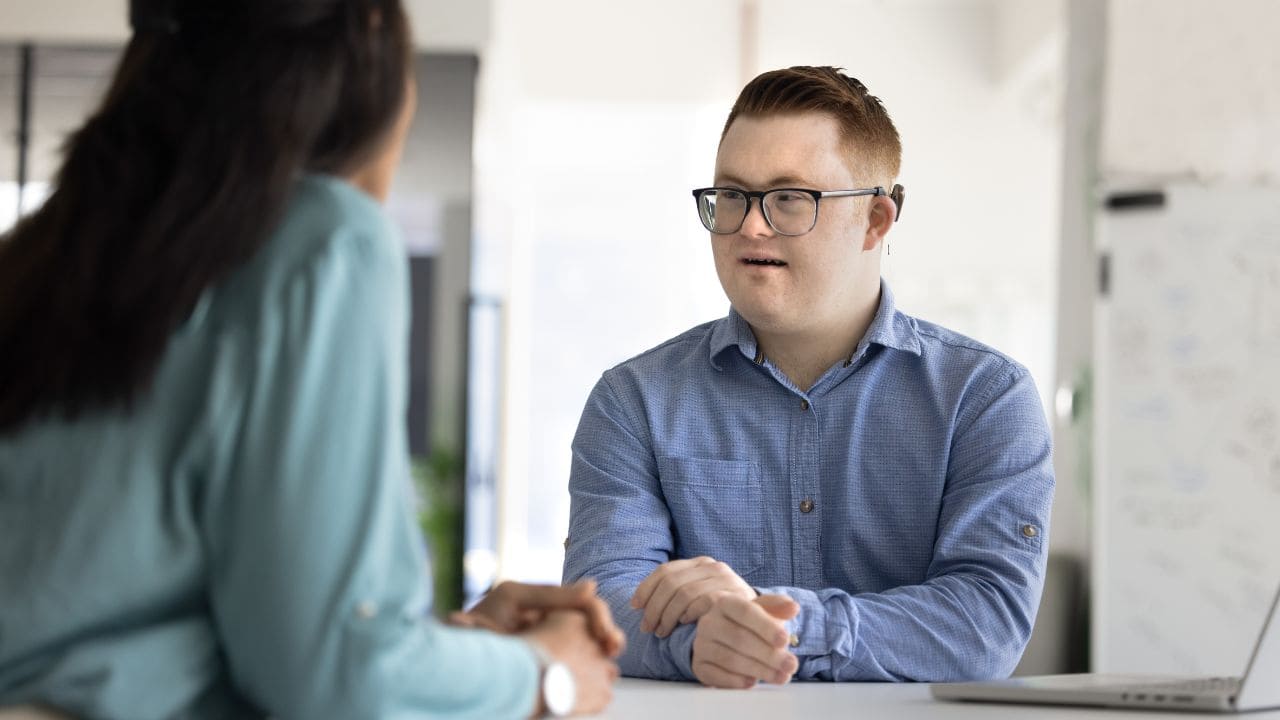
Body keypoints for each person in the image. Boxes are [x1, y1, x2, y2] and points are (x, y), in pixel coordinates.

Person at [0, 1, 621, 717]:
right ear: (370, 48)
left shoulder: (41, 256)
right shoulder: (325, 242)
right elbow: (337, 678)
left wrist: (450, 652)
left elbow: (222, 638)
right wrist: (542, 674)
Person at [562, 66, 1055, 688]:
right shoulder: (632, 400)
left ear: (875, 220)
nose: (750, 225)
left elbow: (984, 624)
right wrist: (702, 643)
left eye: (790, 198)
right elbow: (603, 605)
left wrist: (779, 625)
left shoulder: (984, 398)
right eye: (732, 195)